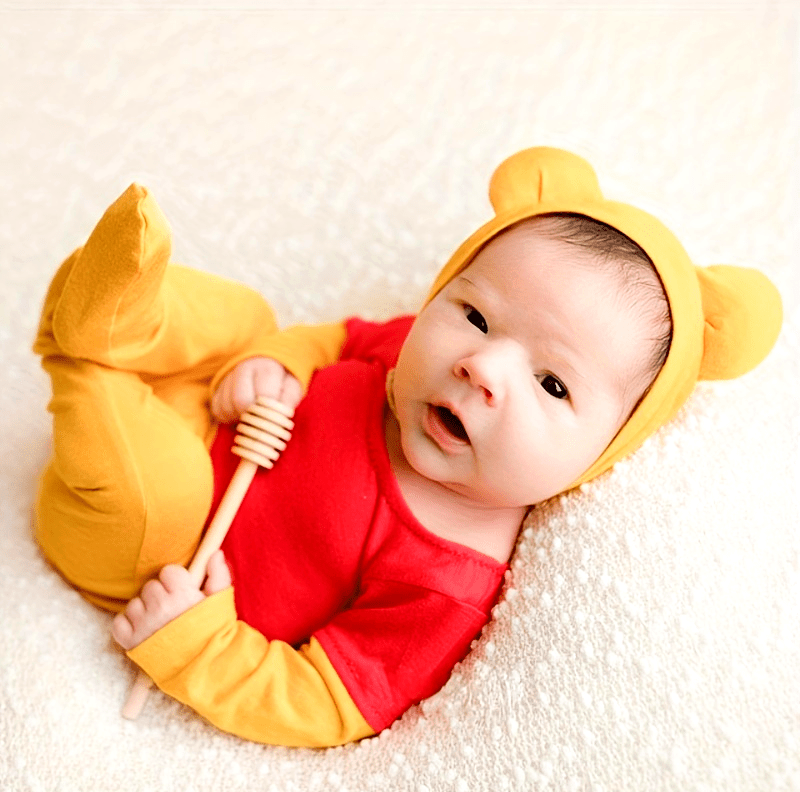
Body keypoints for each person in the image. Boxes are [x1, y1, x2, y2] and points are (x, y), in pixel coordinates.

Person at [32, 147, 782, 747]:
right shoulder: (411, 360)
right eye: (477, 317)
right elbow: (338, 339)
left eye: (552, 385)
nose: (481, 367)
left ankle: (83, 353)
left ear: (607, 453)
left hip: (169, 552)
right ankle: (124, 314)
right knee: (248, 318)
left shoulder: (443, 582)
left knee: (154, 483)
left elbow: (325, 704)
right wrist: (277, 366)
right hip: (216, 404)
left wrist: (196, 644)